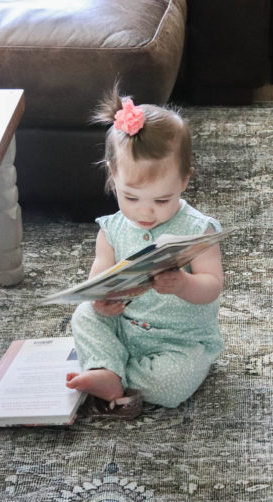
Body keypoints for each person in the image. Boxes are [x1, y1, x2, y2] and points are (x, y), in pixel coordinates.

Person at [66, 89, 224, 416]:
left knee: (171, 384)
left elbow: (212, 286)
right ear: (112, 175)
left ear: (184, 180)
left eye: (161, 200)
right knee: (84, 315)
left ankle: (111, 371)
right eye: (131, 198)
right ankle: (110, 372)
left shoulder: (198, 230)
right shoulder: (111, 229)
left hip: (181, 342)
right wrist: (100, 300)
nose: (146, 212)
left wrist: (184, 284)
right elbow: (99, 279)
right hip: (124, 326)